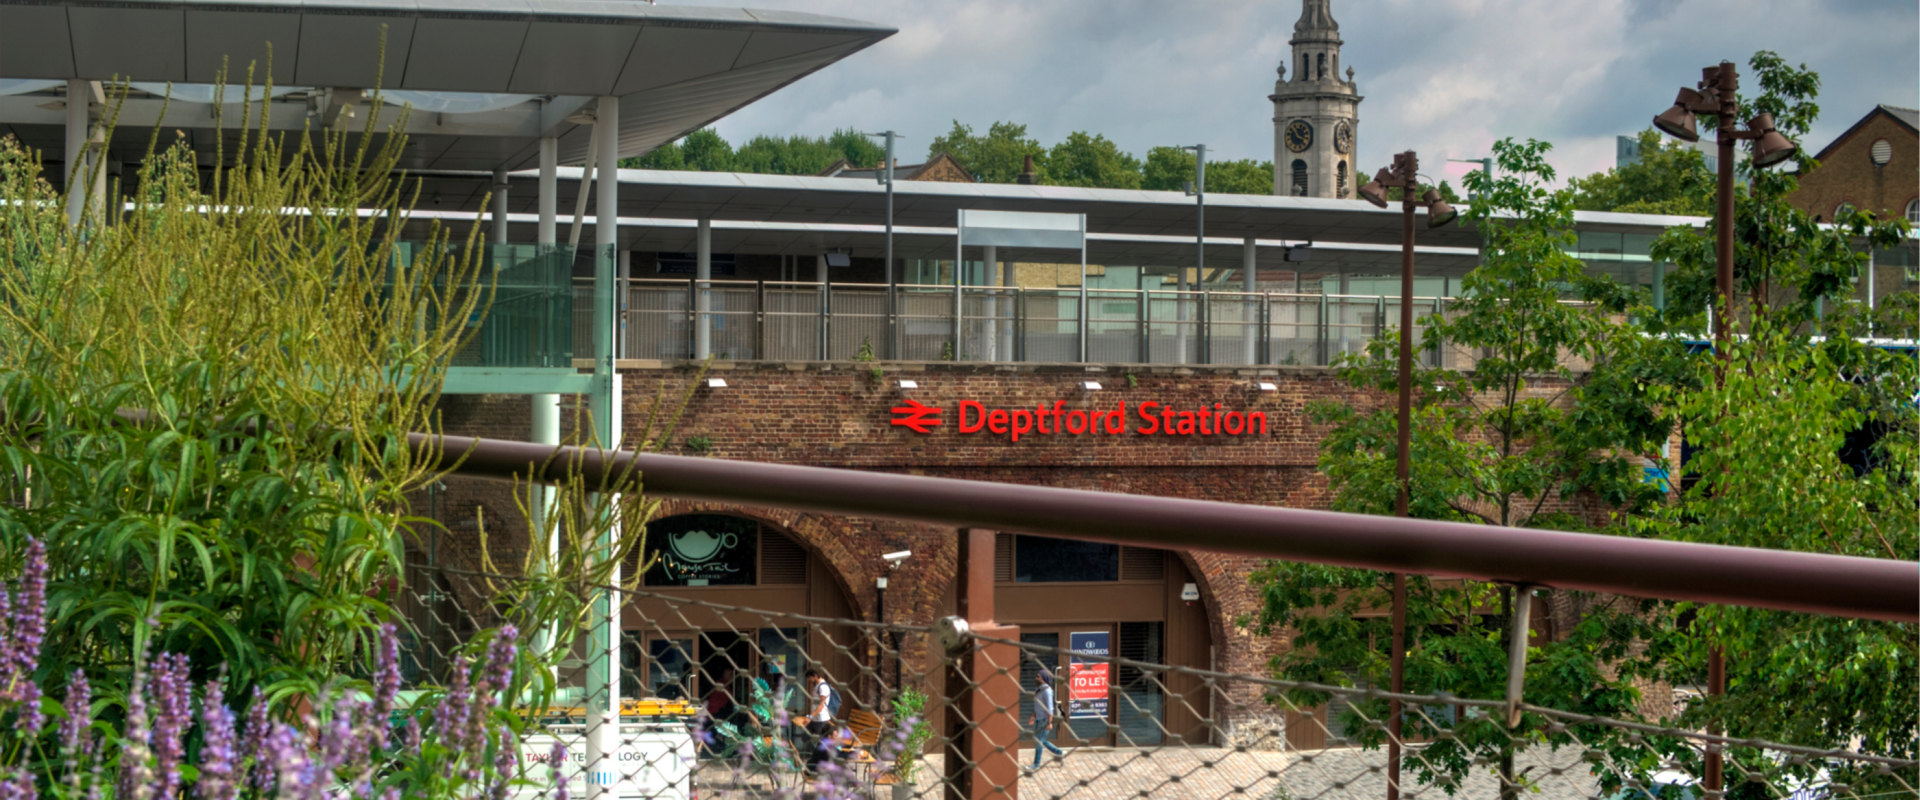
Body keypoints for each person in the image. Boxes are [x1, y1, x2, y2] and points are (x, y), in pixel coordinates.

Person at [803, 669, 841, 774]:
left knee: (820, 742)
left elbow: (821, 705)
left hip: (821, 719)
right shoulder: (818, 686)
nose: (809, 680)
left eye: (810, 678)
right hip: (816, 719)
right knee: (805, 737)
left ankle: (820, 762)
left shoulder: (823, 687)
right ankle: (816, 759)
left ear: (815, 675)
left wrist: (810, 716)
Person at [1029, 670, 1065, 771]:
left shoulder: (1047, 691)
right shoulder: (1039, 689)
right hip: (1038, 719)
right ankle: (1060, 753)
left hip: (1044, 720)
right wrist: (1033, 715)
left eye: (1038, 676)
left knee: (1039, 742)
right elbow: (1038, 704)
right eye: (1036, 676)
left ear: (1044, 678)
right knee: (1041, 741)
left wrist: (1049, 722)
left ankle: (1036, 764)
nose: (1036, 678)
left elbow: (1050, 709)